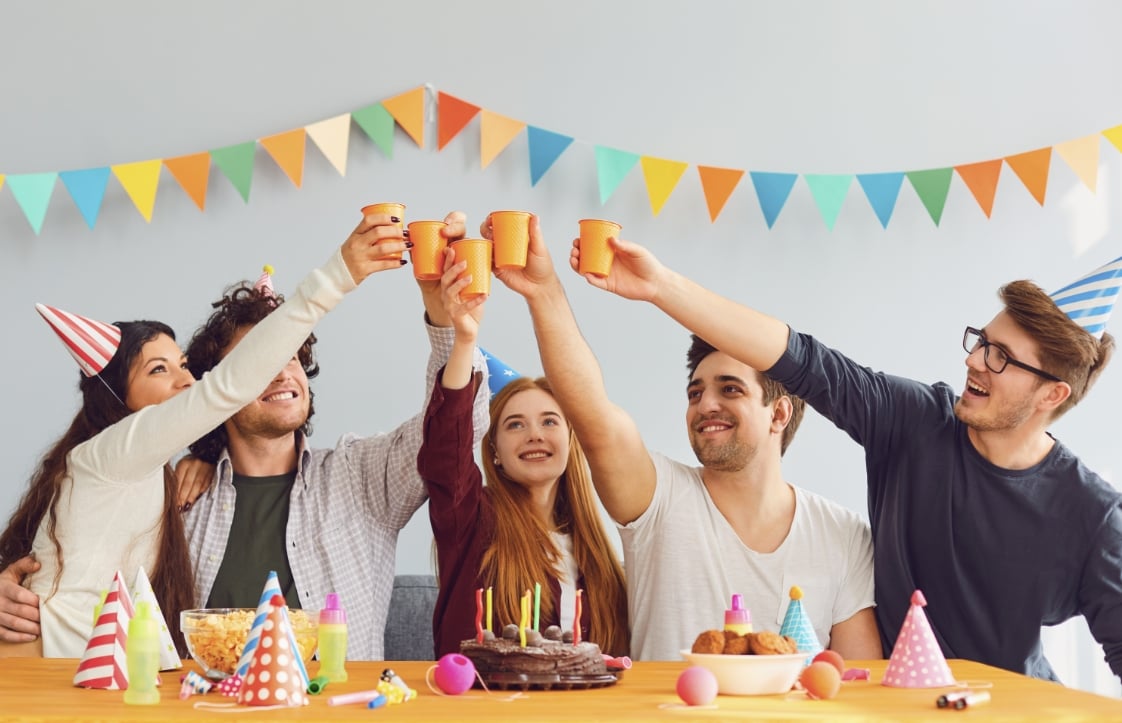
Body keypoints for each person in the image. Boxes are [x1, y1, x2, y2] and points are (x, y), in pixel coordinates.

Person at [570, 231, 1122, 681]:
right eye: (981, 340)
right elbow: (803, 360)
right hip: (898, 706)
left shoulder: (1093, 515)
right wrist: (661, 286)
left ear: (1051, 395)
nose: (975, 360)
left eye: (1000, 357)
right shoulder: (916, 422)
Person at [0, 212, 492, 661]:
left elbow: (458, 433)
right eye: (260, 360)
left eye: (293, 356)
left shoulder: (360, 474)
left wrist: (449, 327)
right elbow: (64, 557)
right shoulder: (174, 500)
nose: (281, 373)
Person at [482, 214, 881, 662]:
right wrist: (543, 290)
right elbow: (591, 412)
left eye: (729, 388)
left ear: (779, 413)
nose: (705, 404)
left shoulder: (844, 535)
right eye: (696, 392)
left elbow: (855, 683)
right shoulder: (658, 499)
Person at [418, 249, 629, 659]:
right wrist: (464, 340)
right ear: (494, 451)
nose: (534, 434)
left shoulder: (598, 554)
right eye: (515, 424)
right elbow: (446, 453)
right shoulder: (472, 522)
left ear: (572, 439)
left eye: (550, 421)